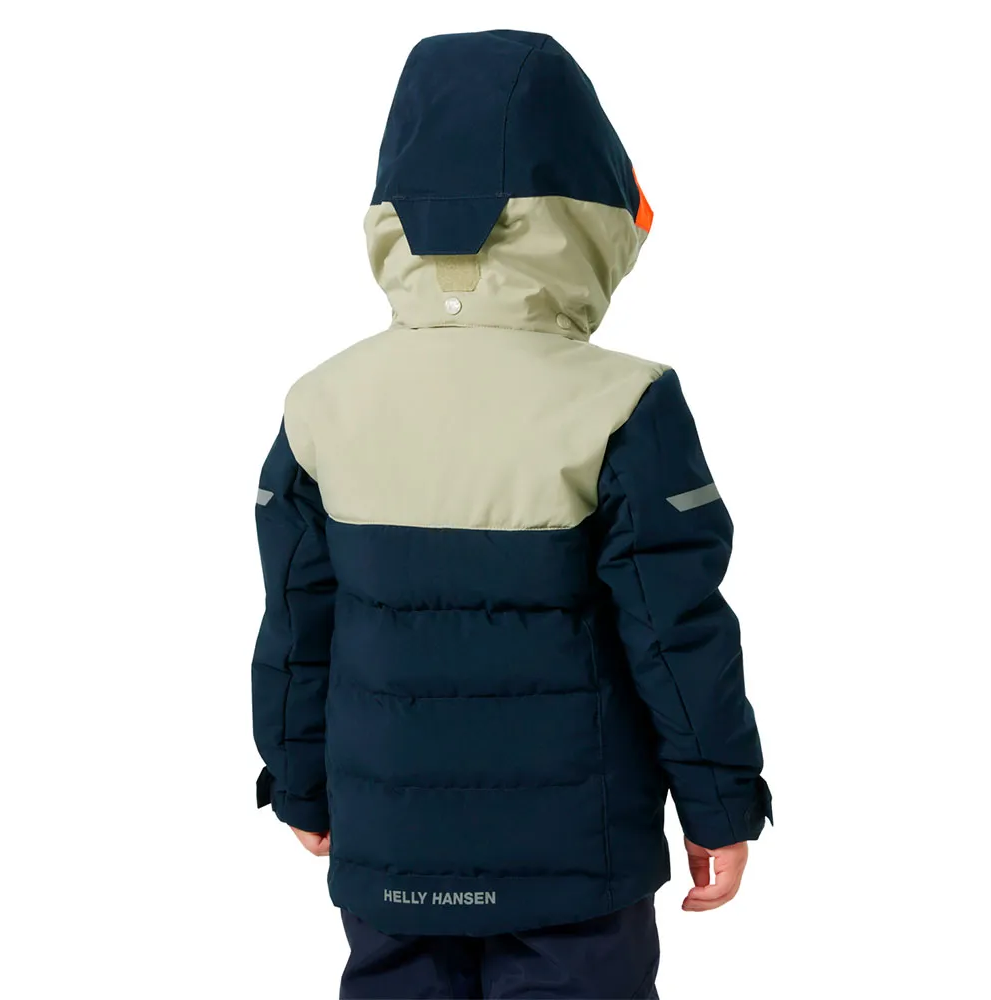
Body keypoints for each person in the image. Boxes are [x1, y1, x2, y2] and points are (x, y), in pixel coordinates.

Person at [251, 29, 771, 999]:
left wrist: (299, 781)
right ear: (590, 216)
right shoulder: (625, 403)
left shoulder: (320, 403)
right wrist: (719, 804)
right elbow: (676, 632)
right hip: (579, 862)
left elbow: (296, 622)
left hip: (392, 854)